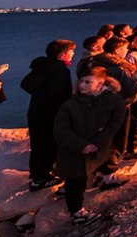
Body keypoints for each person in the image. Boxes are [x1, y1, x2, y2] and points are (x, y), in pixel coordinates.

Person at [53, 68, 126, 226]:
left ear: (100, 84)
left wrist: (98, 141)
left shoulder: (112, 100)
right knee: (76, 180)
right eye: (81, 81)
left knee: (84, 177)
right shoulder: (70, 105)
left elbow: (116, 121)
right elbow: (61, 130)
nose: (82, 85)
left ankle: (104, 179)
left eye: (87, 82)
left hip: (97, 148)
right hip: (73, 150)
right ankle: (77, 213)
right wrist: (82, 145)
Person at [21, 39, 76, 191]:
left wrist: (38, 94)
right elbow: (59, 94)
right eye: (71, 52)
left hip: (35, 111)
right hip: (51, 113)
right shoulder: (61, 70)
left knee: (37, 144)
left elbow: (24, 84)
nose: (73, 54)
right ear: (62, 55)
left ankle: (35, 173)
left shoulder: (40, 66)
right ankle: (41, 178)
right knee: (49, 145)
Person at [87, 37, 137, 189]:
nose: (127, 50)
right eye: (125, 48)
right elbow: (132, 88)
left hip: (98, 107)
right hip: (117, 107)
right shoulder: (118, 69)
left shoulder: (94, 64)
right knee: (116, 141)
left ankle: (99, 172)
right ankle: (109, 176)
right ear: (117, 51)